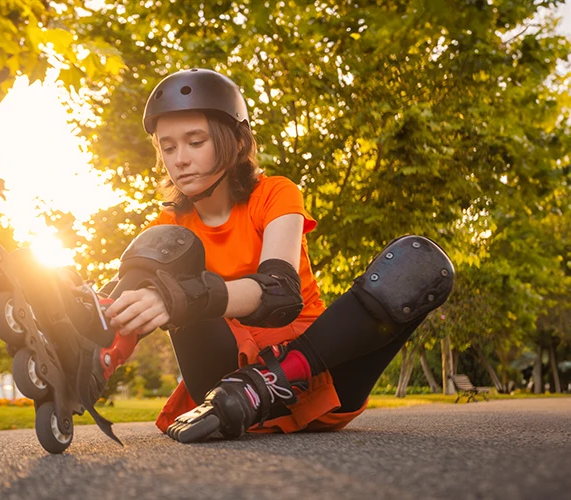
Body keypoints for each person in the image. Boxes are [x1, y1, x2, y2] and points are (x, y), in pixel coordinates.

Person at [101, 68, 454, 443]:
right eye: (168, 147)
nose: (180, 160)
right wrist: (88, 333)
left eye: (195, 141)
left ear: (235, 142)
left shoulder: (275, 193)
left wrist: (183, 297)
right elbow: (129, 297)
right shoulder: (172, 223)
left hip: (320, 369)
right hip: (223, 388)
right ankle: (92, 361)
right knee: (154, 271)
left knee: (418, 264)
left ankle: (271, 381)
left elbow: (279, 293)